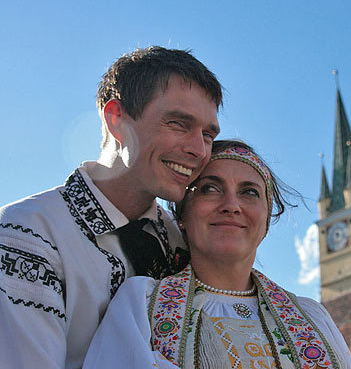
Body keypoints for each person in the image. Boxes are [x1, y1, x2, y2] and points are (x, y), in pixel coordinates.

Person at [0, 46, 223, 369]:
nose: (198, 149)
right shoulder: (28, 233)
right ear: (116, 118)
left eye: (207, 134)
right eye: (178, 123)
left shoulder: (185, 243)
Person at [83, 140, 351, 369]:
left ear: (265, 220)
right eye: (210, 189)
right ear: (182, 215)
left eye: (249, 192)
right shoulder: (141, 306)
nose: (231, 205)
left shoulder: (313, 318)